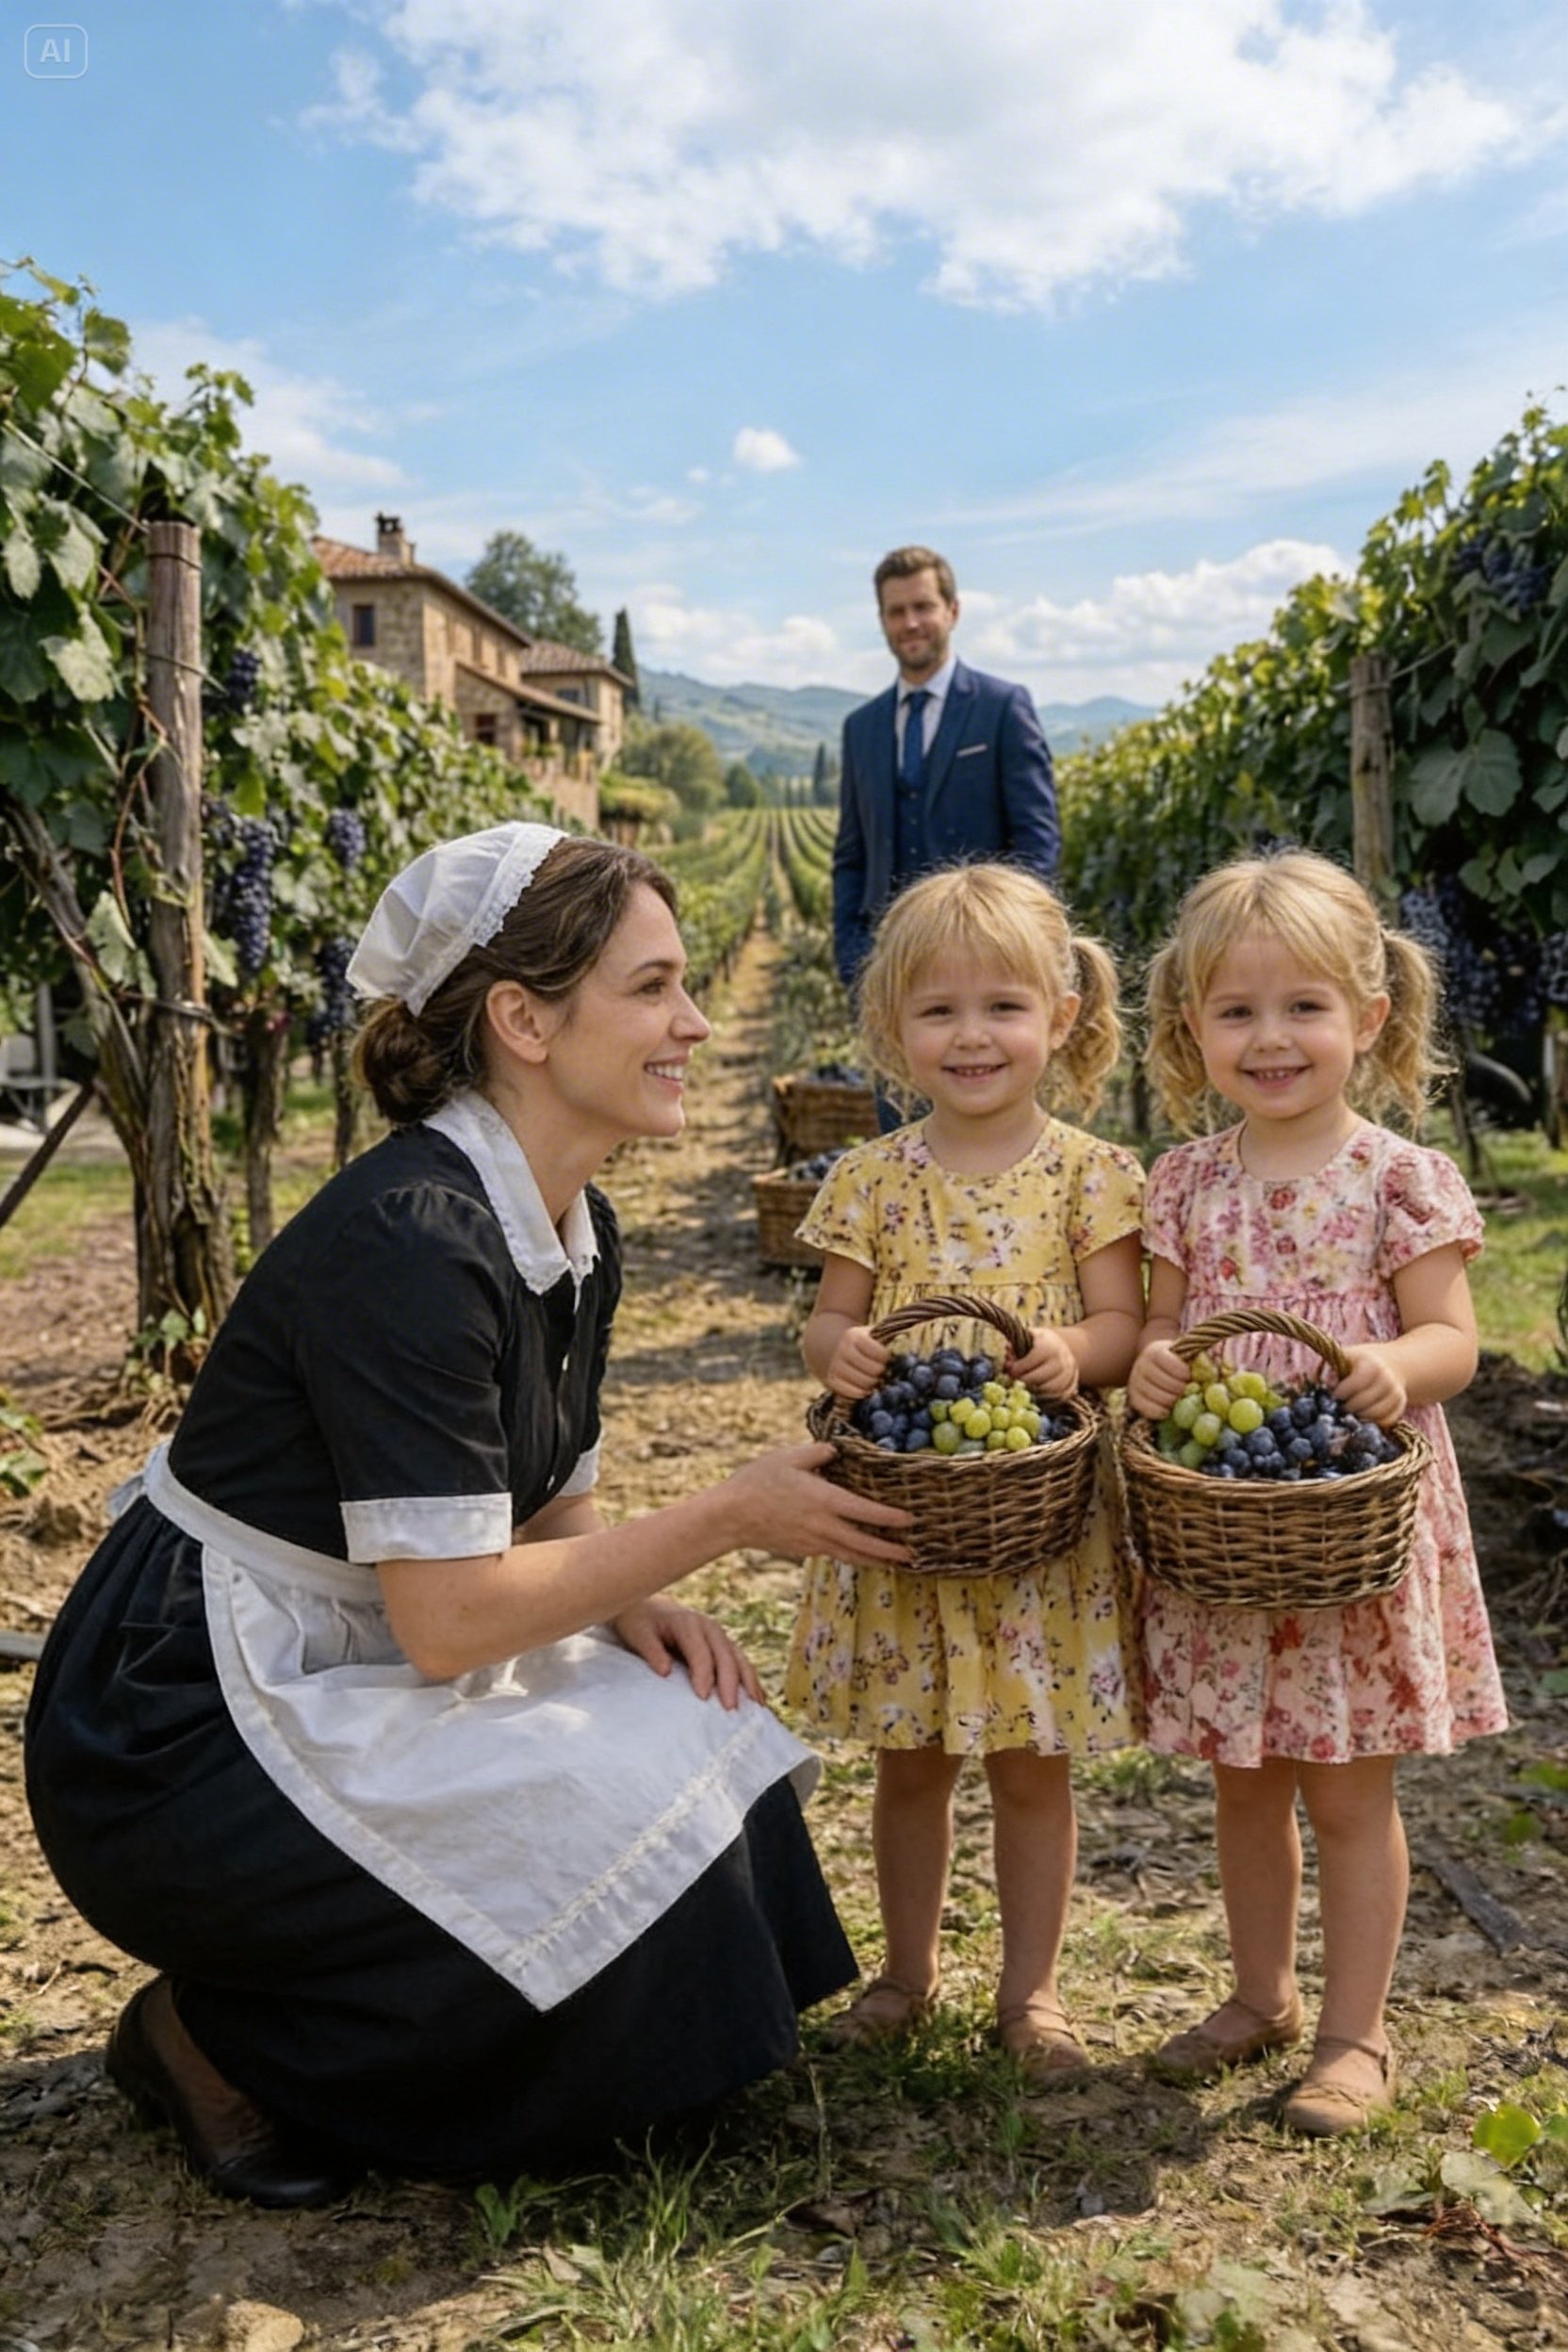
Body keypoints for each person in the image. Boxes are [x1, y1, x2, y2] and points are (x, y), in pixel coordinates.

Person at [25, 823, 911, 2208]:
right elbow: (447, 1626)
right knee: (603, 1796)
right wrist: (726, 1518)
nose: (690, 1024)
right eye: (652, 988)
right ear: (523, 1020)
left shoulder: (573, 1222)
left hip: (366, 1628)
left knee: (696, 1732)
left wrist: (634, 1597)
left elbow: (548, 1496)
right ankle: (209, 2037)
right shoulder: (414, 1240)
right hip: (183, 1724)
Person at [1126, 849, 1508, 2136]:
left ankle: (1355, 2031)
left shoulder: (1399, 1178)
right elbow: (1156, 1345)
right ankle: (1257, 1995)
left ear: (1370, 1017)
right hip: (1233, 1528)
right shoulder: (1182, 1182)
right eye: (1236, 1011)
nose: (1270, 1037)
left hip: (1354, 1520)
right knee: (1245, 1775)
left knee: (1348, 1788)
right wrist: (1158, 1366)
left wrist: (1393, 1370)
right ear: (1192, 1028)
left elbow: (1452, 1339)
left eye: (1303, 1008)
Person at [784, 864, 1145, 2077]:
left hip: (1030, 1519)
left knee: (1030, 1768)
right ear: (893, 1030)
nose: (971, 1035)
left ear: (1062, 1017)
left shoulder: (1092, 1175)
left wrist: (1068, 1353)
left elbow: (1121, 1330)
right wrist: (843, 1350)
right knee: (911, 1761)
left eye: (1002, 1006)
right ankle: (905, 1970)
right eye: (937, 1011)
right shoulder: (869, 1180)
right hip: (909, 1511)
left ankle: (1031, 1993)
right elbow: (825, 1328)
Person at [830, 547, 1059, 999]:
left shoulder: (1002, 708)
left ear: (952, 611)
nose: (910, 623)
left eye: (923, 607)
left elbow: (1038, 842)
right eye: (896, 611)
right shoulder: (861, 727)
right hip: (887, 974)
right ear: (882, 621)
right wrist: (852, 959)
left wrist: (1010, 945)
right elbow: (851, 856)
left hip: (985, 966)